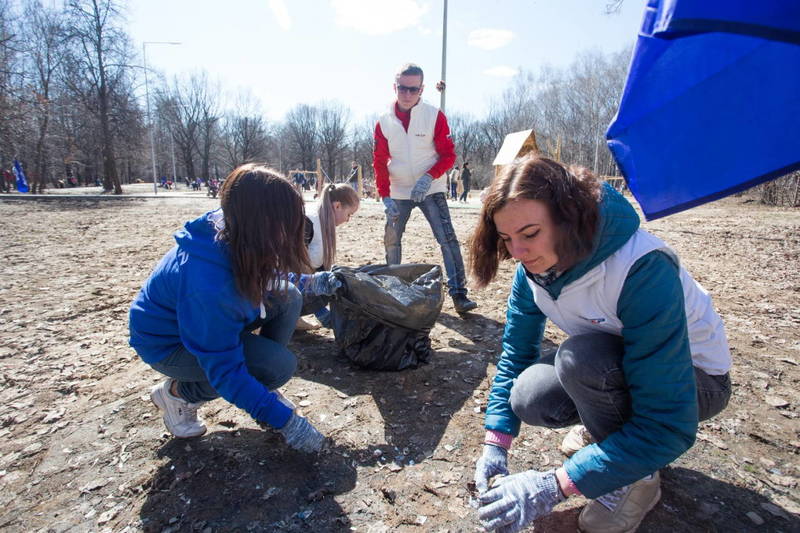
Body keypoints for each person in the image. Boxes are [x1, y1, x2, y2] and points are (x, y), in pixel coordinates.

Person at [470, 156, 731, 533]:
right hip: (621, 364)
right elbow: (515, 354)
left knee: (581, 359)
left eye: (529, 234)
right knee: (530, 393)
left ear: (568, 218)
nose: (518, 253)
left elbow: (668, 423)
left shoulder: (641, 266)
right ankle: (614, 439)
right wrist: (495, 443)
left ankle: (636, 481)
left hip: (697, 382)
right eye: (507, 239)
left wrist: (553, 486)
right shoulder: (533, 269)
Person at [129, 164, 344, 453]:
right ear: (262, 224)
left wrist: (313, 282)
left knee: (289, 296)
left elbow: (266, 272)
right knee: (277, 367)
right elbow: (225, 371)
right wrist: (286, 423)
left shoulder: (234, 230)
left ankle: (259, 386)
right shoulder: (209, 285)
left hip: (203, 324)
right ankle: (178, 395)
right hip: (169, 344)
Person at [373, 62, 477, 314]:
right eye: (402, 88)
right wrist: (385, 196)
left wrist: (428, 178)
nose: (407, 94)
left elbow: (448, 156)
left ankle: (459, 293)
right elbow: (379, 160)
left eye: (413, 89)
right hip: (399, 190)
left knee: (447, 239)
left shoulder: (434, 116)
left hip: (430, 188)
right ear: (394, 87)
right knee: (392, 239)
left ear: (422, 89)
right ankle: (392, 288)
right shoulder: (383, 121)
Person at [296, 183, 360, 330]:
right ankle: (293, 317)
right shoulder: (308, 221)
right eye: (349, 214)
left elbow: (318, 264)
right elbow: (294, 266)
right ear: (337, 206)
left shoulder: (322, 221)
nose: (348, 220)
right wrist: (321, 312)